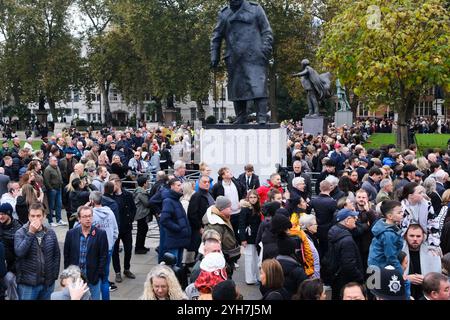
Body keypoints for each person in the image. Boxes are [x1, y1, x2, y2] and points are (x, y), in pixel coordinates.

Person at [211, 0, 273, 124]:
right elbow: (216, 36)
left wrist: (265, 49)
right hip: (234, 58)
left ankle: (261, 116)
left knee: (258, 85)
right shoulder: (224, 14)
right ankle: (241, 116)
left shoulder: (255, 9)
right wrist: (214, 56)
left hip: (255, 55)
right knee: (237, 87)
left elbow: (266, 31)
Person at [14, 202, 60, 300]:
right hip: (28, 284)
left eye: (38, 216)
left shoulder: (50, 232)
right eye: (32, 216)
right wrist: (31, 233)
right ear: (28, 216)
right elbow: (19, 252)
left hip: (47, 283)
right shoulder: (20, 233)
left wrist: (53, 276)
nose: (35, 219)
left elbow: (56, 255)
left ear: (43, 216)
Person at [63, 206, 108, 300]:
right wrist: (68, 274)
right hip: (75, 279)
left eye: (90, 216)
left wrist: (98, 274)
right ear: (79, 218)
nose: (88, 219)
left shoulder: (100, 234)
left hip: (93, 278)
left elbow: (103, 257)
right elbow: (67, 255)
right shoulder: (71, 234)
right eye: (84, 216)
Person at [327, 208, 364, 300]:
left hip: (337, 278)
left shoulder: (334, 231)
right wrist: (360, 277)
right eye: (354, 217)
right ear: (347, 220)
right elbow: (349, 265)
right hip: (346, 281)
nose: (356, 219)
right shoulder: (347, 240)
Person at [89, 191, 118, 300]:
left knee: (93, 278)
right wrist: (110, 243)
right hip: (108, 249)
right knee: (105, 279)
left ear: (91, 201)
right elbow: (116, 231)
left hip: (94, 251)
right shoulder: (110, 213)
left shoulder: (90, 214)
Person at [203, 196, 241, 278]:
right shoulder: (215, 224)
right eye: (228, 207)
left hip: (227, 257)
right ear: (222, 208)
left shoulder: (222, 217)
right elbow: (214, 247)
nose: (231, 209)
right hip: (223, 258)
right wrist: (224, 264)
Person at [402, 224, 442, 300]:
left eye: (418, 236)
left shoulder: (432, 250)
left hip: (426, 292)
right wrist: (406, 278)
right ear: (405, 236)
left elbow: (439, 275)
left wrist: (427, 279)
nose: (415, 239)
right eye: (411, 236)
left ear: (423, 236)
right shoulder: (399, 250)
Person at [110, 175, 137, 283]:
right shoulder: (109, 196)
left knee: (129, 249)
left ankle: (126, 268)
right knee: (115, 251)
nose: (112, 187)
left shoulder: (127, 195)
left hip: (126, 227)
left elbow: (133, 208)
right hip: (115, 228)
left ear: (119, 183)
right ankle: (117, 272)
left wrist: (130, 219)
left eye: (114, 184)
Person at [160, 178, 192, 267]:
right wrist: (178, 228)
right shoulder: (168, 201)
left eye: (180, 184)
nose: (181, 187)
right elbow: (164, 220)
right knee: (174, 264)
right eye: (178, 185)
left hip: (180, 237)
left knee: (178, 263)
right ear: (172, 186)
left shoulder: (176, 199)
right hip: (174, 238)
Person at [368, 200, 404, 275]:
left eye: (402, 212)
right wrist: (401, 273)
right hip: (379, 269)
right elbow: (391, 256)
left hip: (377, 265)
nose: (402, 214)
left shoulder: (387, 227)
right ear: (390, 216)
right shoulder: (388, 234)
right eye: (399, 213)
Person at [400, 182, 440, 249]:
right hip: (405, 239)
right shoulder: (400, 208)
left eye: (423, 192)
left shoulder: (427, 205)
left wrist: (433, 244)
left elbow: (433, 224)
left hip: (424, 238)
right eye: (420, 193)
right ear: (410, 196)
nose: (423, 195)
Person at [212, 167, 245, 240]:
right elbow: (213, 197)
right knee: (227, 234)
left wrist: (242, 200)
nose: (230, 173)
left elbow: (244, 191)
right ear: (223, 176)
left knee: (237, 234)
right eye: (227, 172)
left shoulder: (237, 182)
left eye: (229, 171)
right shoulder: (218, 186)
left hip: (238, 212)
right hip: (226, 215)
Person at [187, 175, 215, 262]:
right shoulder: (197, 196)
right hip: (201, 228)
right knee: (200, 252)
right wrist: (199, 227)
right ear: (199, 183)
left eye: (208, 182)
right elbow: (192, 214)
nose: (207, 184)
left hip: (209, 226)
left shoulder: (209, 193)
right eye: (204, 182)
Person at [238, 190, 262, 285]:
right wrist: (243, 239)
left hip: (258, 236)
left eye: (254, 197)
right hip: (248, 236)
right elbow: (242, 224)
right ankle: (250, 278)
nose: (253, 199)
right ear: (248, 198)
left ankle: (258, 276)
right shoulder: (245, 209)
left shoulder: (259, 208)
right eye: (251, 197)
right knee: (249, 258)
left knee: (257, 258)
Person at [310, 180, 337, 257]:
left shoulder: (314, 201)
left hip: (317, 229)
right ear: (330, 188)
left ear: (320, 188)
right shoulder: (332, 202)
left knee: (319, 249)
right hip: (329, 229)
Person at [0, 203, 21, 300]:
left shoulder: (18, 228)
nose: (0, 216)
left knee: (9, 279)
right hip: (2, 266)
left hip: (13, 266)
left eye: (3, 214)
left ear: (9, 214)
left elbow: (20, 252)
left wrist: (12, 268)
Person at [43, 156, 66, 226]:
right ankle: (50, 221)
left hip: (59, 189)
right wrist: (51, 189)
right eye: (54, 161)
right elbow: (46, 181)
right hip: (52, 190)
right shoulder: (48, 169)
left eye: (56, 160)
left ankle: (59, 220)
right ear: (50, 161)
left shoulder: (57, 167)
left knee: (59, 204)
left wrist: (61, 183)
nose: (56, 161)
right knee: (51, 206)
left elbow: (60, 176)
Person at [133, 176, 152, 254]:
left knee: (143, 230)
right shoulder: (141, 192)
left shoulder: (140, 191)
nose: (148, 183)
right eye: (147, 182)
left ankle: (141, 246)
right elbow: (147, 203)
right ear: (144, 184)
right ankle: (138, 248)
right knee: (141, 231)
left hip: (141, 213)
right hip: (141, 214)